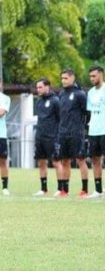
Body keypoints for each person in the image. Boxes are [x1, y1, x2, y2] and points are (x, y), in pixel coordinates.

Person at [55, 68, 89, 197]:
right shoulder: (61, 94)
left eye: (66, 78)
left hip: (76, 132)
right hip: (63, 133)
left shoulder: (80, 94)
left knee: (80, 160)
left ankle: (84, 190)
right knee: (65, 161)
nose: (63, 80)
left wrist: (81, 127)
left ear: (72, 78)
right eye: (62, 78)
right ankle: (65, 190)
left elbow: (87, 113)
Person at [33, 78, 62, 196]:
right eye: (37, 87)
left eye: (40, 87)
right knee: (41, 162)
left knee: (56, 162)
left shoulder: (55, 101)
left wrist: (58, 135)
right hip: (40, 136)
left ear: (47, 86)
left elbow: (60, 119)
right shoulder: (38, 102)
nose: (38, 89)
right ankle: (43, 188)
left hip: (52, 137)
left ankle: (61, 189)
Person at [85, 65, 104, 198]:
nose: (92, 78)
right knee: (95, 160)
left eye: (94, 76)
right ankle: (98, 190)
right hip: (94, 131)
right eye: (90, 76)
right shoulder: (90, 92)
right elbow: (90, 112)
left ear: (101, 75)